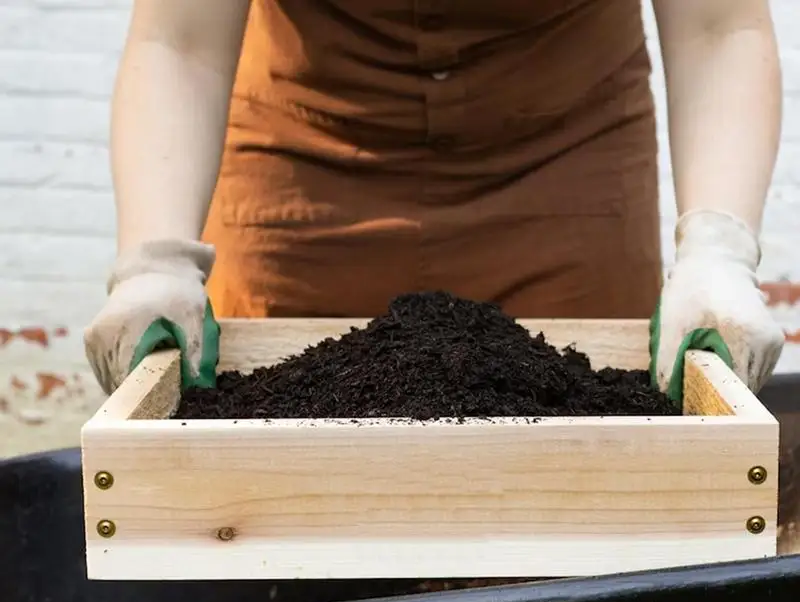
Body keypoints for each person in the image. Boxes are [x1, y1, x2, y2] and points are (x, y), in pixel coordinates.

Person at [84, 0, 785, 405]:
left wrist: (718, 251)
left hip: (563, 166)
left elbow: (719, 28)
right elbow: (180, 42)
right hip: (305, 168)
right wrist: (156, 259)